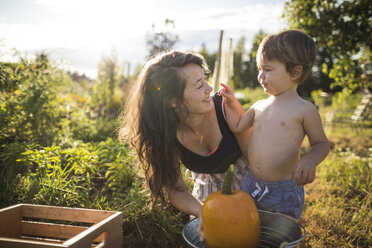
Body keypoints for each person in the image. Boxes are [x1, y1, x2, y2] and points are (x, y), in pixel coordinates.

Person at [118, 50, 251, 226]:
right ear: (173, 100)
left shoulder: (226, 109)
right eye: (199, 85)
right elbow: (176, 189)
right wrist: (203, 211)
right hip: (208, 189)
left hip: (252, 181)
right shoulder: (165, 132)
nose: (210, 89)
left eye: (205, 80)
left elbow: (257, 160)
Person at [219, 30, 330, 219]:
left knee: (279, 235)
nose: (260, 76)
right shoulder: (259, 105)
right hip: (251, 183)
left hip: (283, 191)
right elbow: (237, 126)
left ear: (295, 72)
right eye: (259, 69)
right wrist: (230, 103)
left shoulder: (304, 109)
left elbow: (321, 144)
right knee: (248, 227)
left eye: (268, 69)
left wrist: (309, 160)